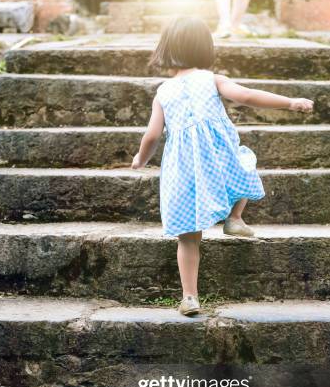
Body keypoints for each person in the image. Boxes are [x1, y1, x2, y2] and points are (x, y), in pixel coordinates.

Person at [132, 17, 313, 317]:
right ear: (206, 48)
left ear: (166, 49)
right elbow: (247, 96)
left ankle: (190, 296)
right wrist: (290, 102)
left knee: (188, 237)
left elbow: (152, 135)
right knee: (244, 164)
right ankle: (234, 217)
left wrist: (141, 159)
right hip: (219, 158)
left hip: (183, 170)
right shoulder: (212, 79)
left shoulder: (163, 91)